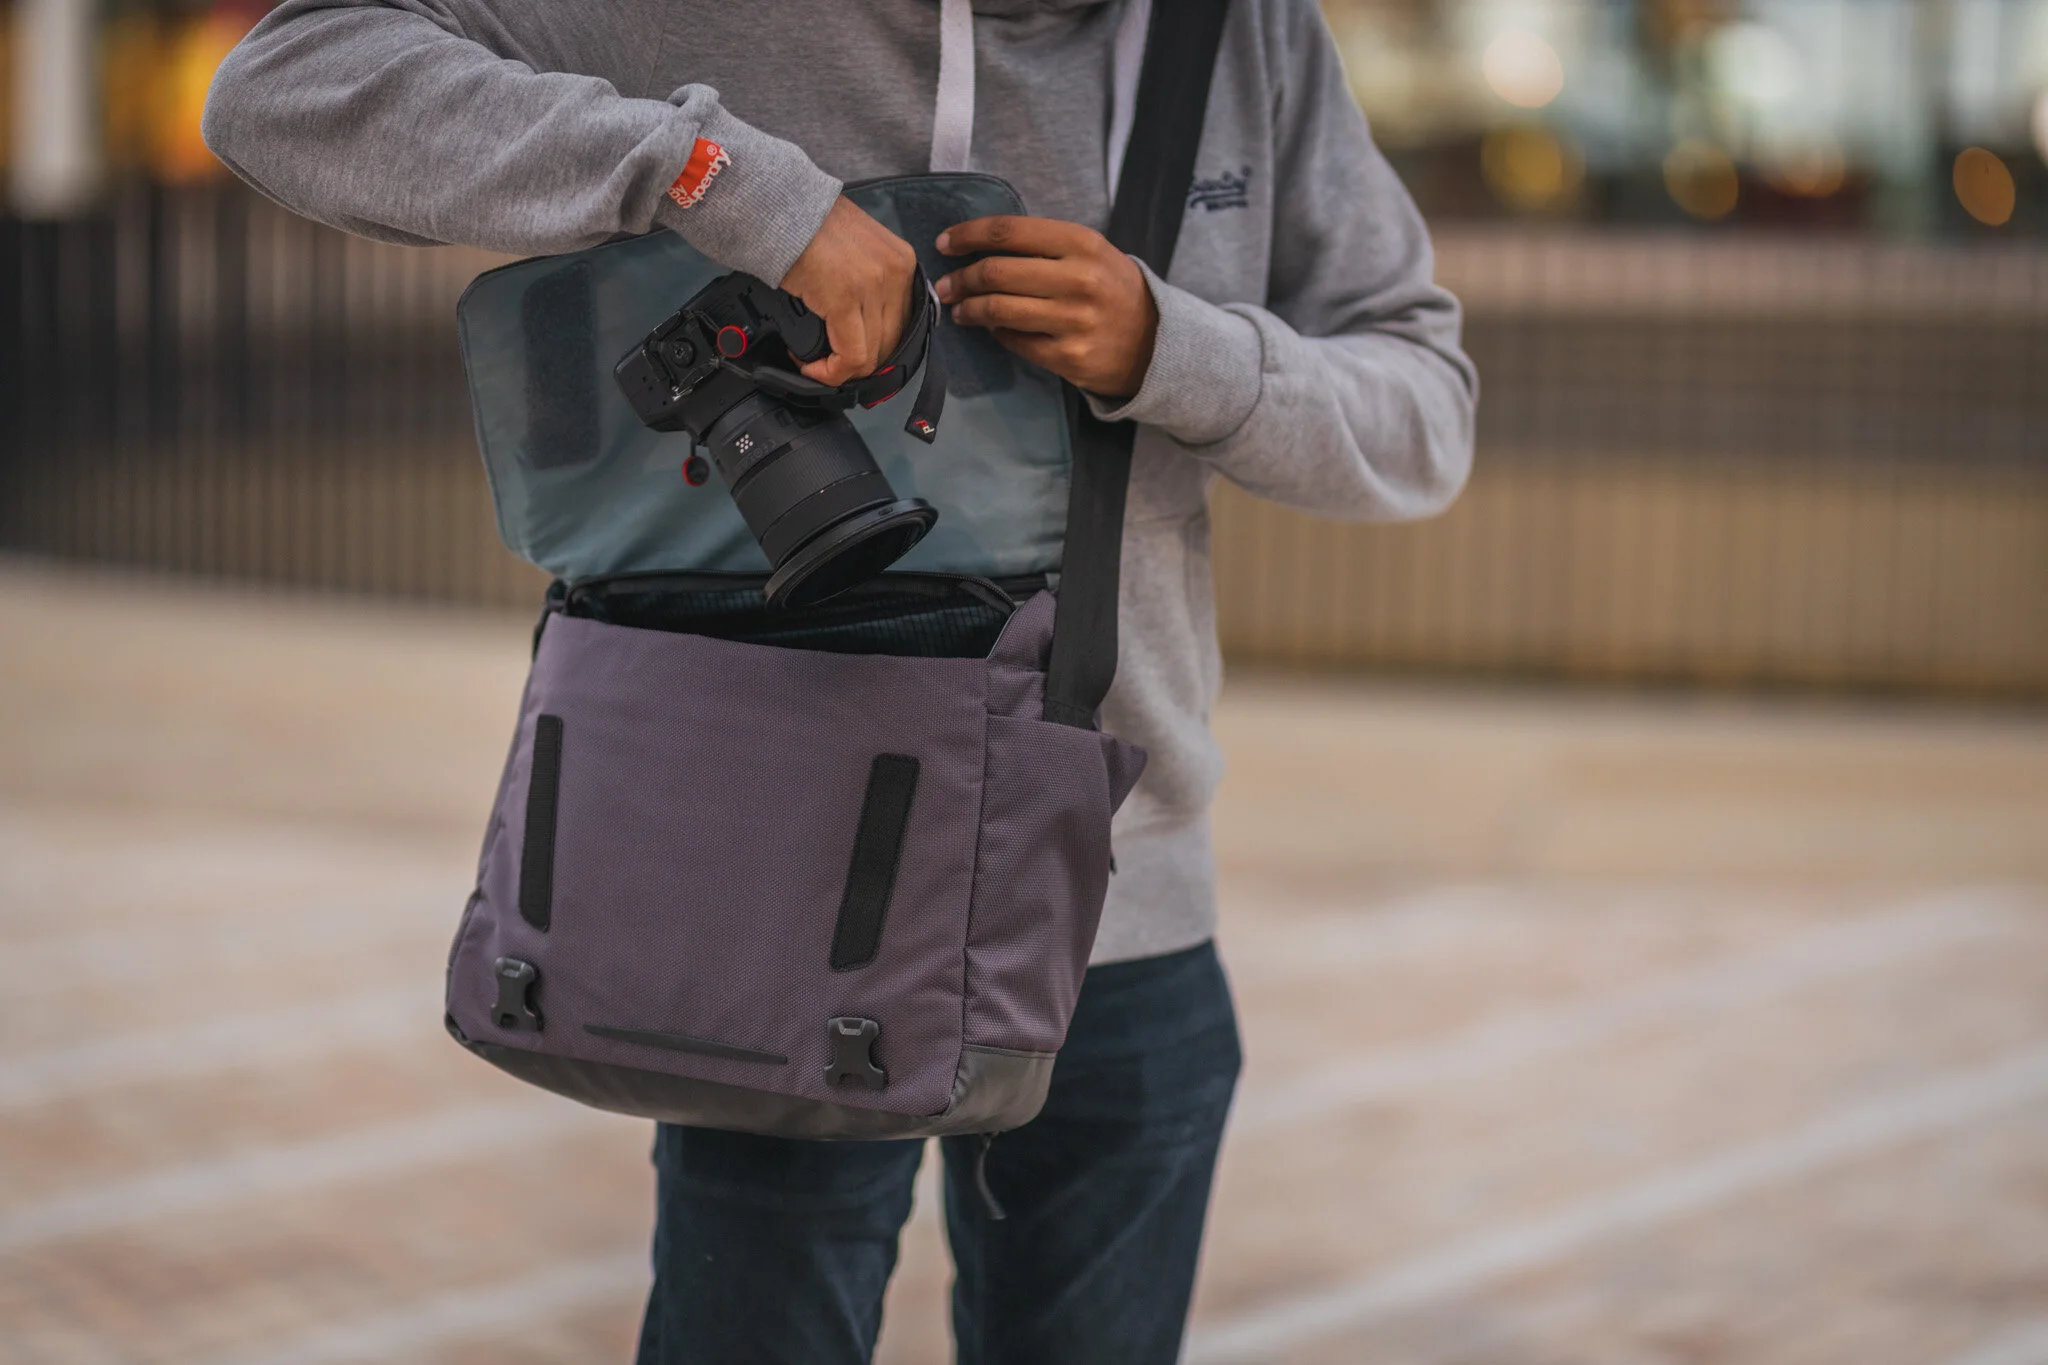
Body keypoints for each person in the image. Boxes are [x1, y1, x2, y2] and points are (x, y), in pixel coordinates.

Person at [203, 1, 1476, 1360]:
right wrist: (728, 186)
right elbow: (286, 83)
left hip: (1127, 906)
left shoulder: (1236, 34)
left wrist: (1176, 351)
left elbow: (1425, 412)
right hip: (779, 884)